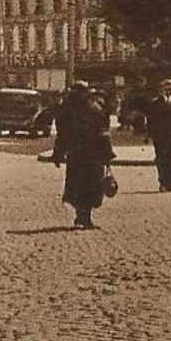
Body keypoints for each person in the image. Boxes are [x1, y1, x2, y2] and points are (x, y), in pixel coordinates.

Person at [50, 82, 116, 230]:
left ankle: (84, 215)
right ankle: (83, 216)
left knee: (88, 185)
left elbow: (103, 132)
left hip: (86, 153)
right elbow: (63, 133)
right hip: (85, 154)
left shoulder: (92, 108)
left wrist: (58, 153)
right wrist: (58, 152)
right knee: (83, 185)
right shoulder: (70, 109)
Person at [146, 78, 171, 193]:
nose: (168, 90)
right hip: (159, 135)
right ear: (162, 89)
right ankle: (162, 182)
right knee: (161, 158)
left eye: (170, 87)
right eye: (166, 87)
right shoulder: (155, 103)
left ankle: (170, 183)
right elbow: (151, 119)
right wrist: (150, 134)